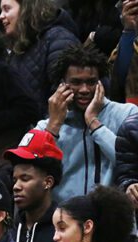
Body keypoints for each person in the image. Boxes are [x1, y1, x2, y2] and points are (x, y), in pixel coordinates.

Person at [38, 45, 136, 202]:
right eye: (76, 82)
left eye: (91, 82)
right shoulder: (45, 127)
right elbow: (33, 174)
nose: (84, 89)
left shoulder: (127, 115)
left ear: (101, 83)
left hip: (115, 220)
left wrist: (94, 123)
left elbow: (132, 164)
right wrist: (54, 126)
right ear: (62, 84)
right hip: (65, 221)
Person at [6, 129, 63, 242]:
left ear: (48, 182)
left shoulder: (63, 230)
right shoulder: (7, 230)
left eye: (25, 179)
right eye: (15, 180)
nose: (16, 186)